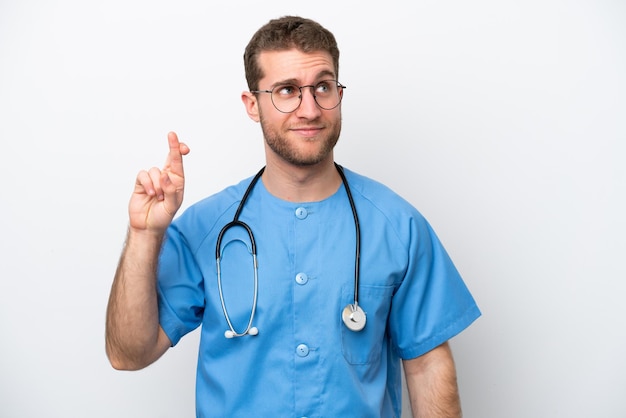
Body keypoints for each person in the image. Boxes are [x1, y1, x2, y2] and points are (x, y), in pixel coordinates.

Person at [105, 15, 481, 418]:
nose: (310, 109)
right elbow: (129, 354)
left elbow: (427, 367)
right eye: (287, 90)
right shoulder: (205, 227)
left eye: (323, 86)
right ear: (253, 105)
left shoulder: (398, 226)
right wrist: (144, 235)